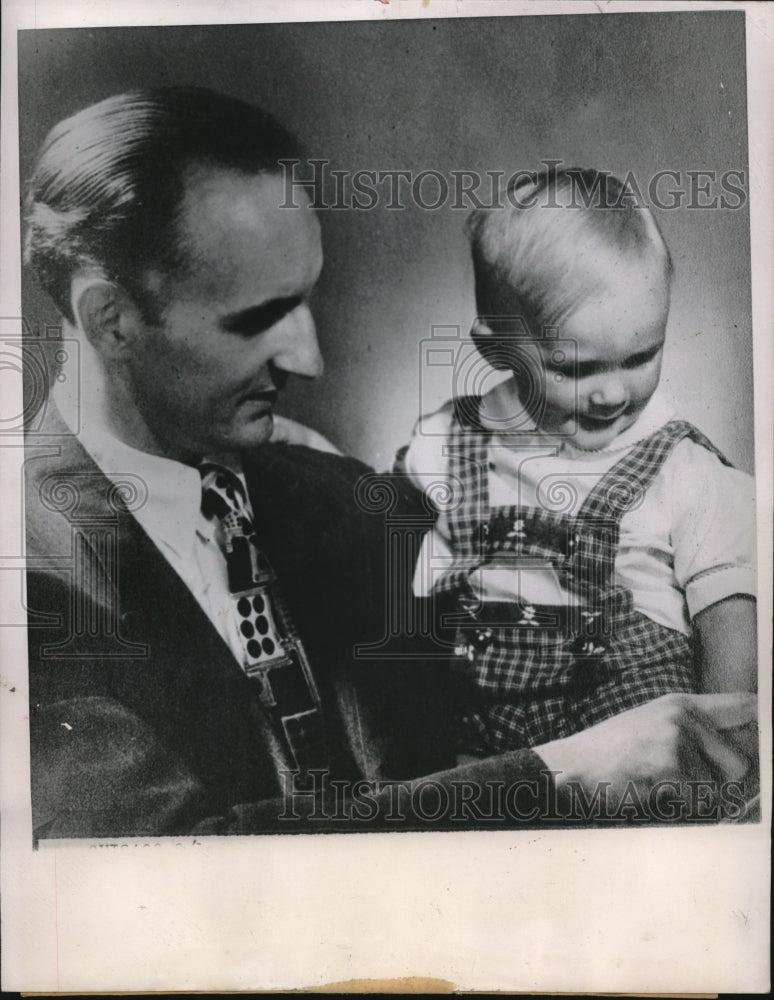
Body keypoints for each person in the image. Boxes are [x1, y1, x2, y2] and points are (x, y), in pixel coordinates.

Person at [23, 92, 757, 839]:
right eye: (255, 318)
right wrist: (561, 774)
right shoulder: (28, 582)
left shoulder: (331, 492)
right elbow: (163, 874)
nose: (311, 359)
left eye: (306, 301)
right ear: (109, 320)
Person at [396, 167, 757, 760]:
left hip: (636, 733)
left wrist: (726, 754)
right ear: (498, 349)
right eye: (577, 369)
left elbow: (730, 611)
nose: (612, 394)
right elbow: (389, 561)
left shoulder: (682, 468)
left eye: (641, 356)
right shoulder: (449, 441)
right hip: (488, 736)